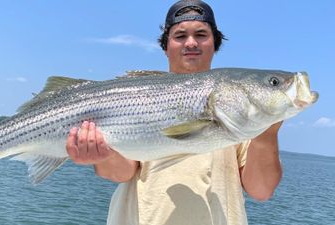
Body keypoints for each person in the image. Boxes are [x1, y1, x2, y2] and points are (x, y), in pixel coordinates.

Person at [66, 1, 283, 224]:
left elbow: (261, 190)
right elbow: (121, 173)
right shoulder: (141, 97)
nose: (190, 43)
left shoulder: (239, 113)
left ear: (215, 44)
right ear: (166, 46)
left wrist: (268, 131)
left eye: (201, 34)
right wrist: (101, 154)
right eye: (180, 36)